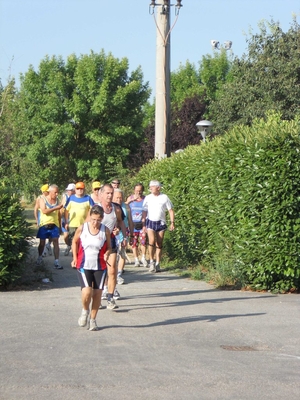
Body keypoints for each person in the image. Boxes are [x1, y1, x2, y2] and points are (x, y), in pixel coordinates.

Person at [71, 205, 111, 331]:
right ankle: (84, 310)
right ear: (90, 217)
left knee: (97, 294)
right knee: (87, 291)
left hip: (100, 266)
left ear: (102, 218)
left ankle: (93, 320)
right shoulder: (82, 228)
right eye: (93, 219)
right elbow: (74, 241)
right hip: (84, 264)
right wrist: (75, 258)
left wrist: (107, 253)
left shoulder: (105, 230)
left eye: (98, 220)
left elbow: (110, 247)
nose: (95, 223)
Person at [97, 183, 127, 310]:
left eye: (111, 193)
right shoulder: (96, 208)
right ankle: (97, 298)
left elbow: (120, 222)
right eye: (107, 193)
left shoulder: (117, 209)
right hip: (98, 243)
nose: (109, 195)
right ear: (102, 194)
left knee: (112, 271)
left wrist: (122, 236)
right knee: (98, 272)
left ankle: (110, 297)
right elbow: (88, 226)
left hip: (112, 242)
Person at [141, 180, 175, 273]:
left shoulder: (164, 197)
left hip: (161, 222)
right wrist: (143, 224)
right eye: (150, 186)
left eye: (152, 186)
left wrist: (172, 222)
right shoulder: (148, 198)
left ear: (158, 188)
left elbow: (171, 210)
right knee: (151, 241)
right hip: (150, 221)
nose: (150, 188)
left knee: (159, 243)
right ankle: (151, 261)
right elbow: (144, 211)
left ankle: (158, 263)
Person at [36, 184, 64, 269]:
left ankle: (56, 261)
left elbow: (59, 213)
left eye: (57, 192)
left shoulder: (57, 200)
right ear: (50, 192)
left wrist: (59, 225)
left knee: (56, 241)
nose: (56, 194)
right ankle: (40, 257)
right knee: (42, 243)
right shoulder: (42, 199)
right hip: (44, 224)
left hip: (54, 224)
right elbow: (44, 211)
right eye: (55, 192)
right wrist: (56, 208)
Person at [64, 181, 94, 251]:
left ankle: (80, 256)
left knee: (82, 242)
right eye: (78, 189)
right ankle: (75, 257)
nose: (80, 190)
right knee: (73, 241)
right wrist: (66, 222)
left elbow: (93, 210)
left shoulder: (88, 198)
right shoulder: (71, 198)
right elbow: (66, 210)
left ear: (84, 189)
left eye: (81, 189)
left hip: (84, 225)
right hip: (72, 225)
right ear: (75, 190)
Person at [113, 189, 133, 284]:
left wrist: (131, 235)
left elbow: (130, 221)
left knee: (122, 253)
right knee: (113, 255)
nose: (119, 199)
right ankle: (112, 273)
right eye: (117, 197)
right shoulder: (110, 207)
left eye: (120, 197)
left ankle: (119, 274)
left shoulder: (127, 207)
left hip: (123, 232)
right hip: (113, 234)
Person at [126, 183, 148, 267]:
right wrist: (130, 201)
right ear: (134, 190)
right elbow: (124, 205)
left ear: (142, 190)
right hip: (132, 224)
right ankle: (136, 259)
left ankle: (143, 257)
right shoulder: (130, 198)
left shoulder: (145, 199)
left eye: (140, 190)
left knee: (143, 242)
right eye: (137, 190)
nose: (138, 192)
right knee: (134, 243)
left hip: (142, 224)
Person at [34, 184, 53, 257]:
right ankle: (44, 250)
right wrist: (37, 219)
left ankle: (48, 244)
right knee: (43, 236)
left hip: (51, 219)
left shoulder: (52, 197)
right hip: (42, 218)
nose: (48, 192)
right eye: (47, 191)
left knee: (51, 235)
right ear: (43, 191)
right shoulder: (40, 198)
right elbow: (36, 209)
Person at [61, 183, 76, 256]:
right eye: (68, 190)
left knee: (74, 237)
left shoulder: (77, 198)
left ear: (74, 191)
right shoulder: (65, 197)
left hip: (73, 220)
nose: (68, 191)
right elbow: (61, 207)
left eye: (70, 190)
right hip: (65, 219)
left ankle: (73, 251)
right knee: (66, 236)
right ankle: (69, 245)